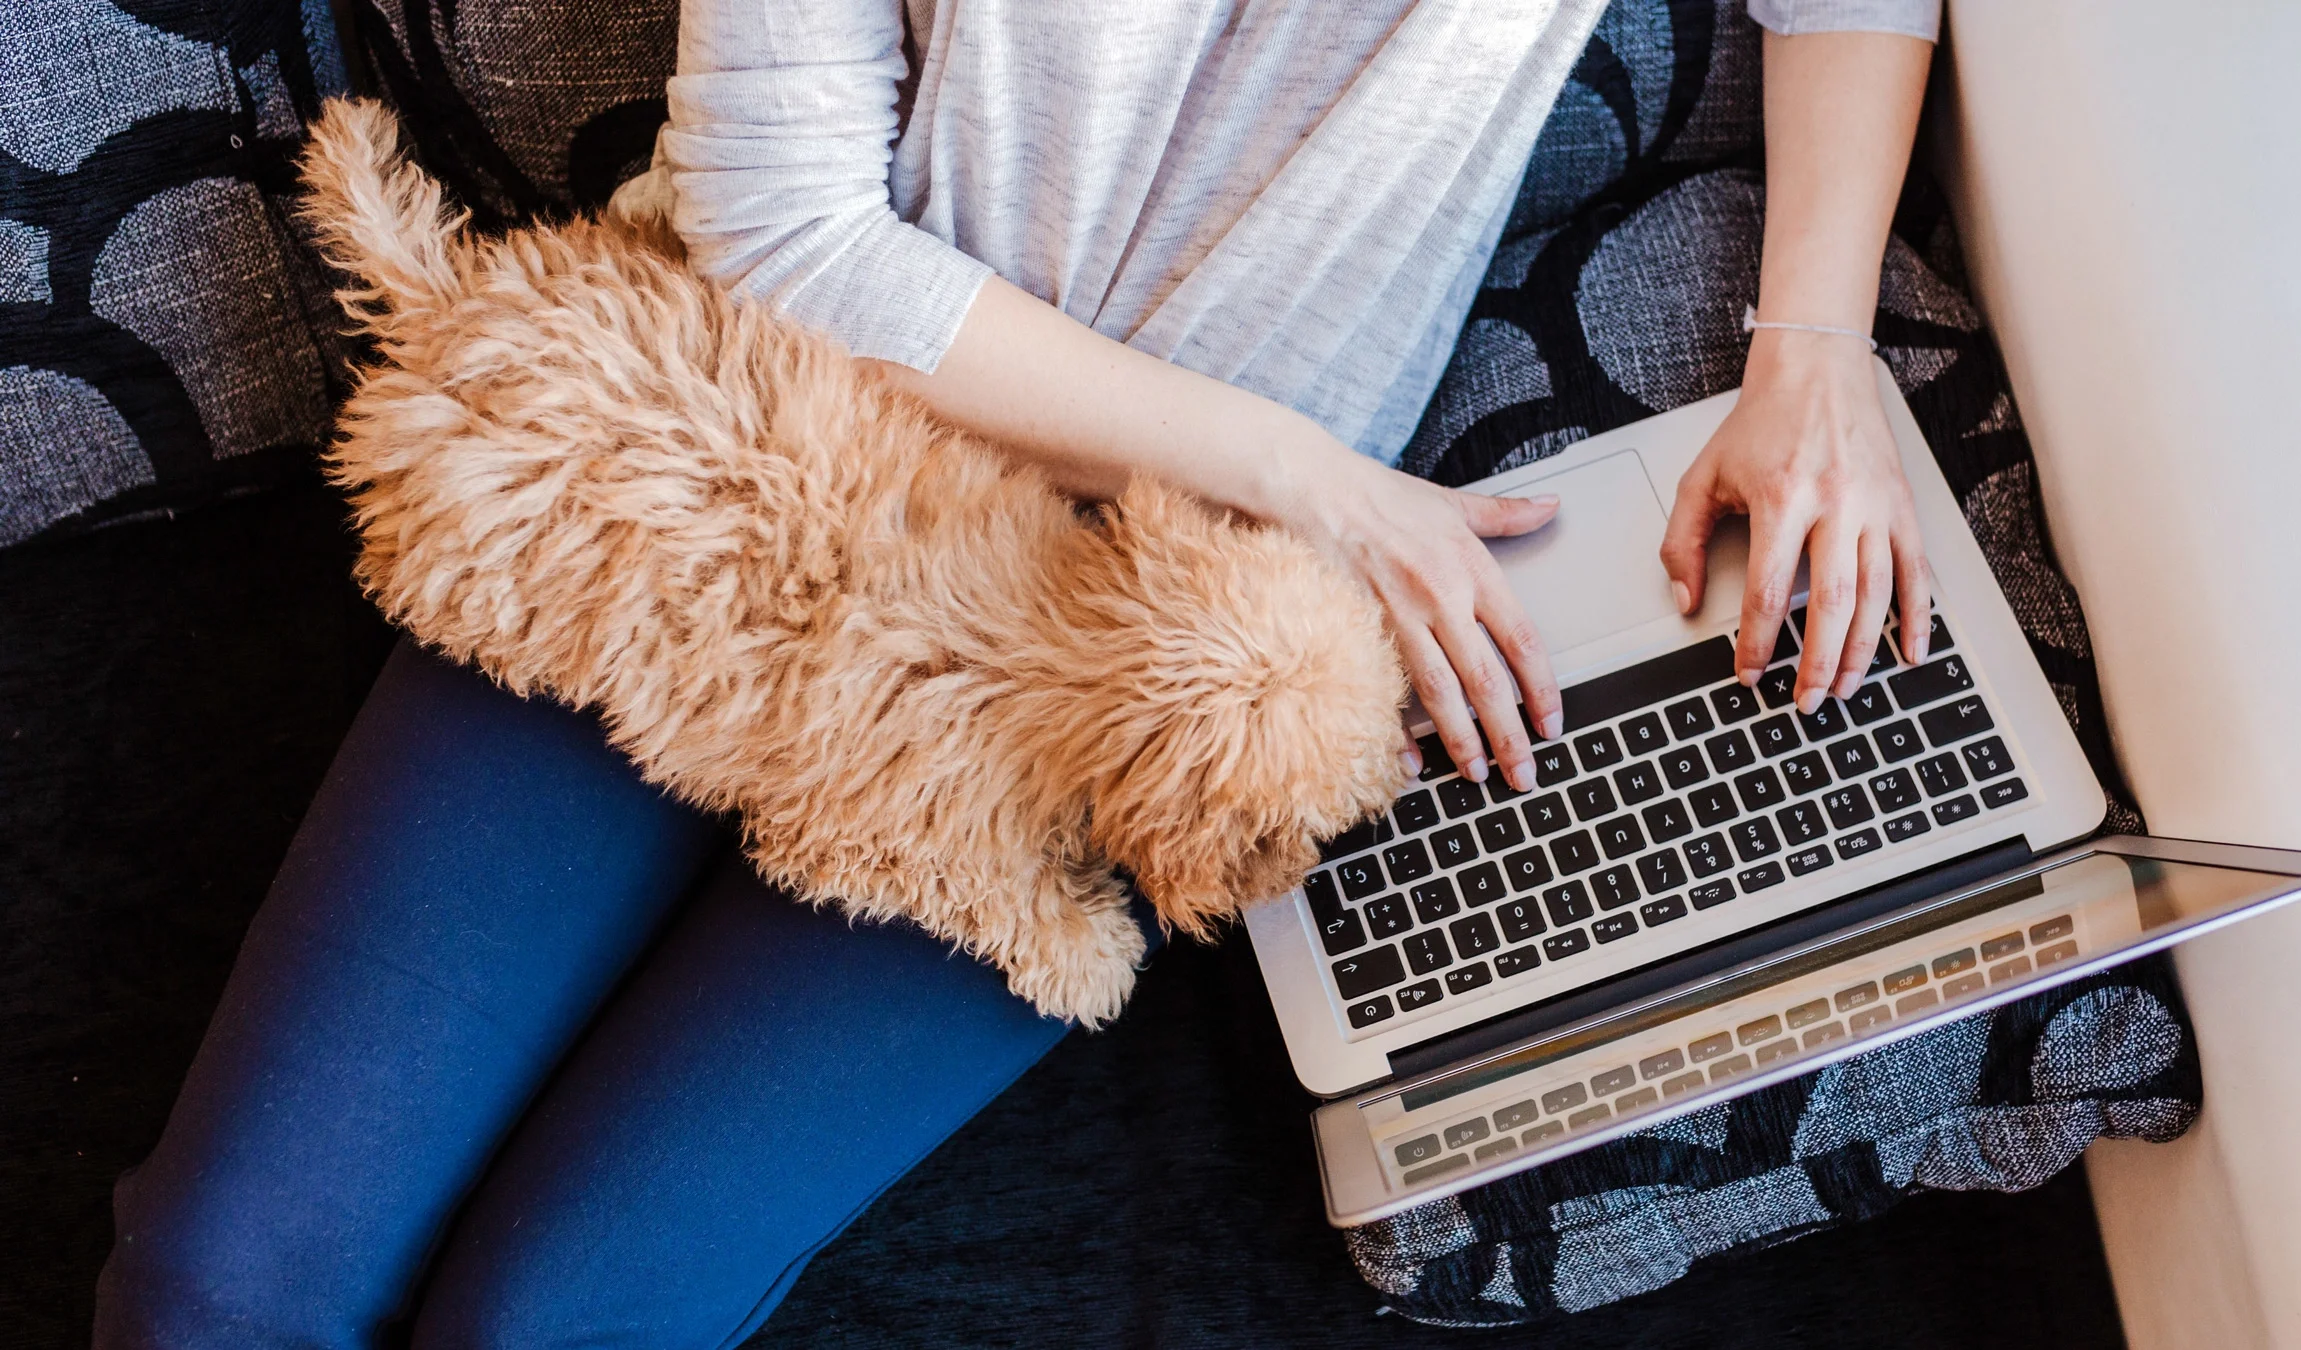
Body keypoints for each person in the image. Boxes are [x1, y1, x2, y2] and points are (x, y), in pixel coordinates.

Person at [93, 1, 1941, 1345]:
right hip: (718, 452)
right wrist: (1308, 478)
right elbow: (779, 224)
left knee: (558, 1324)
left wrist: (1813, 350)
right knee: (220, 1282)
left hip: (1117, 660)